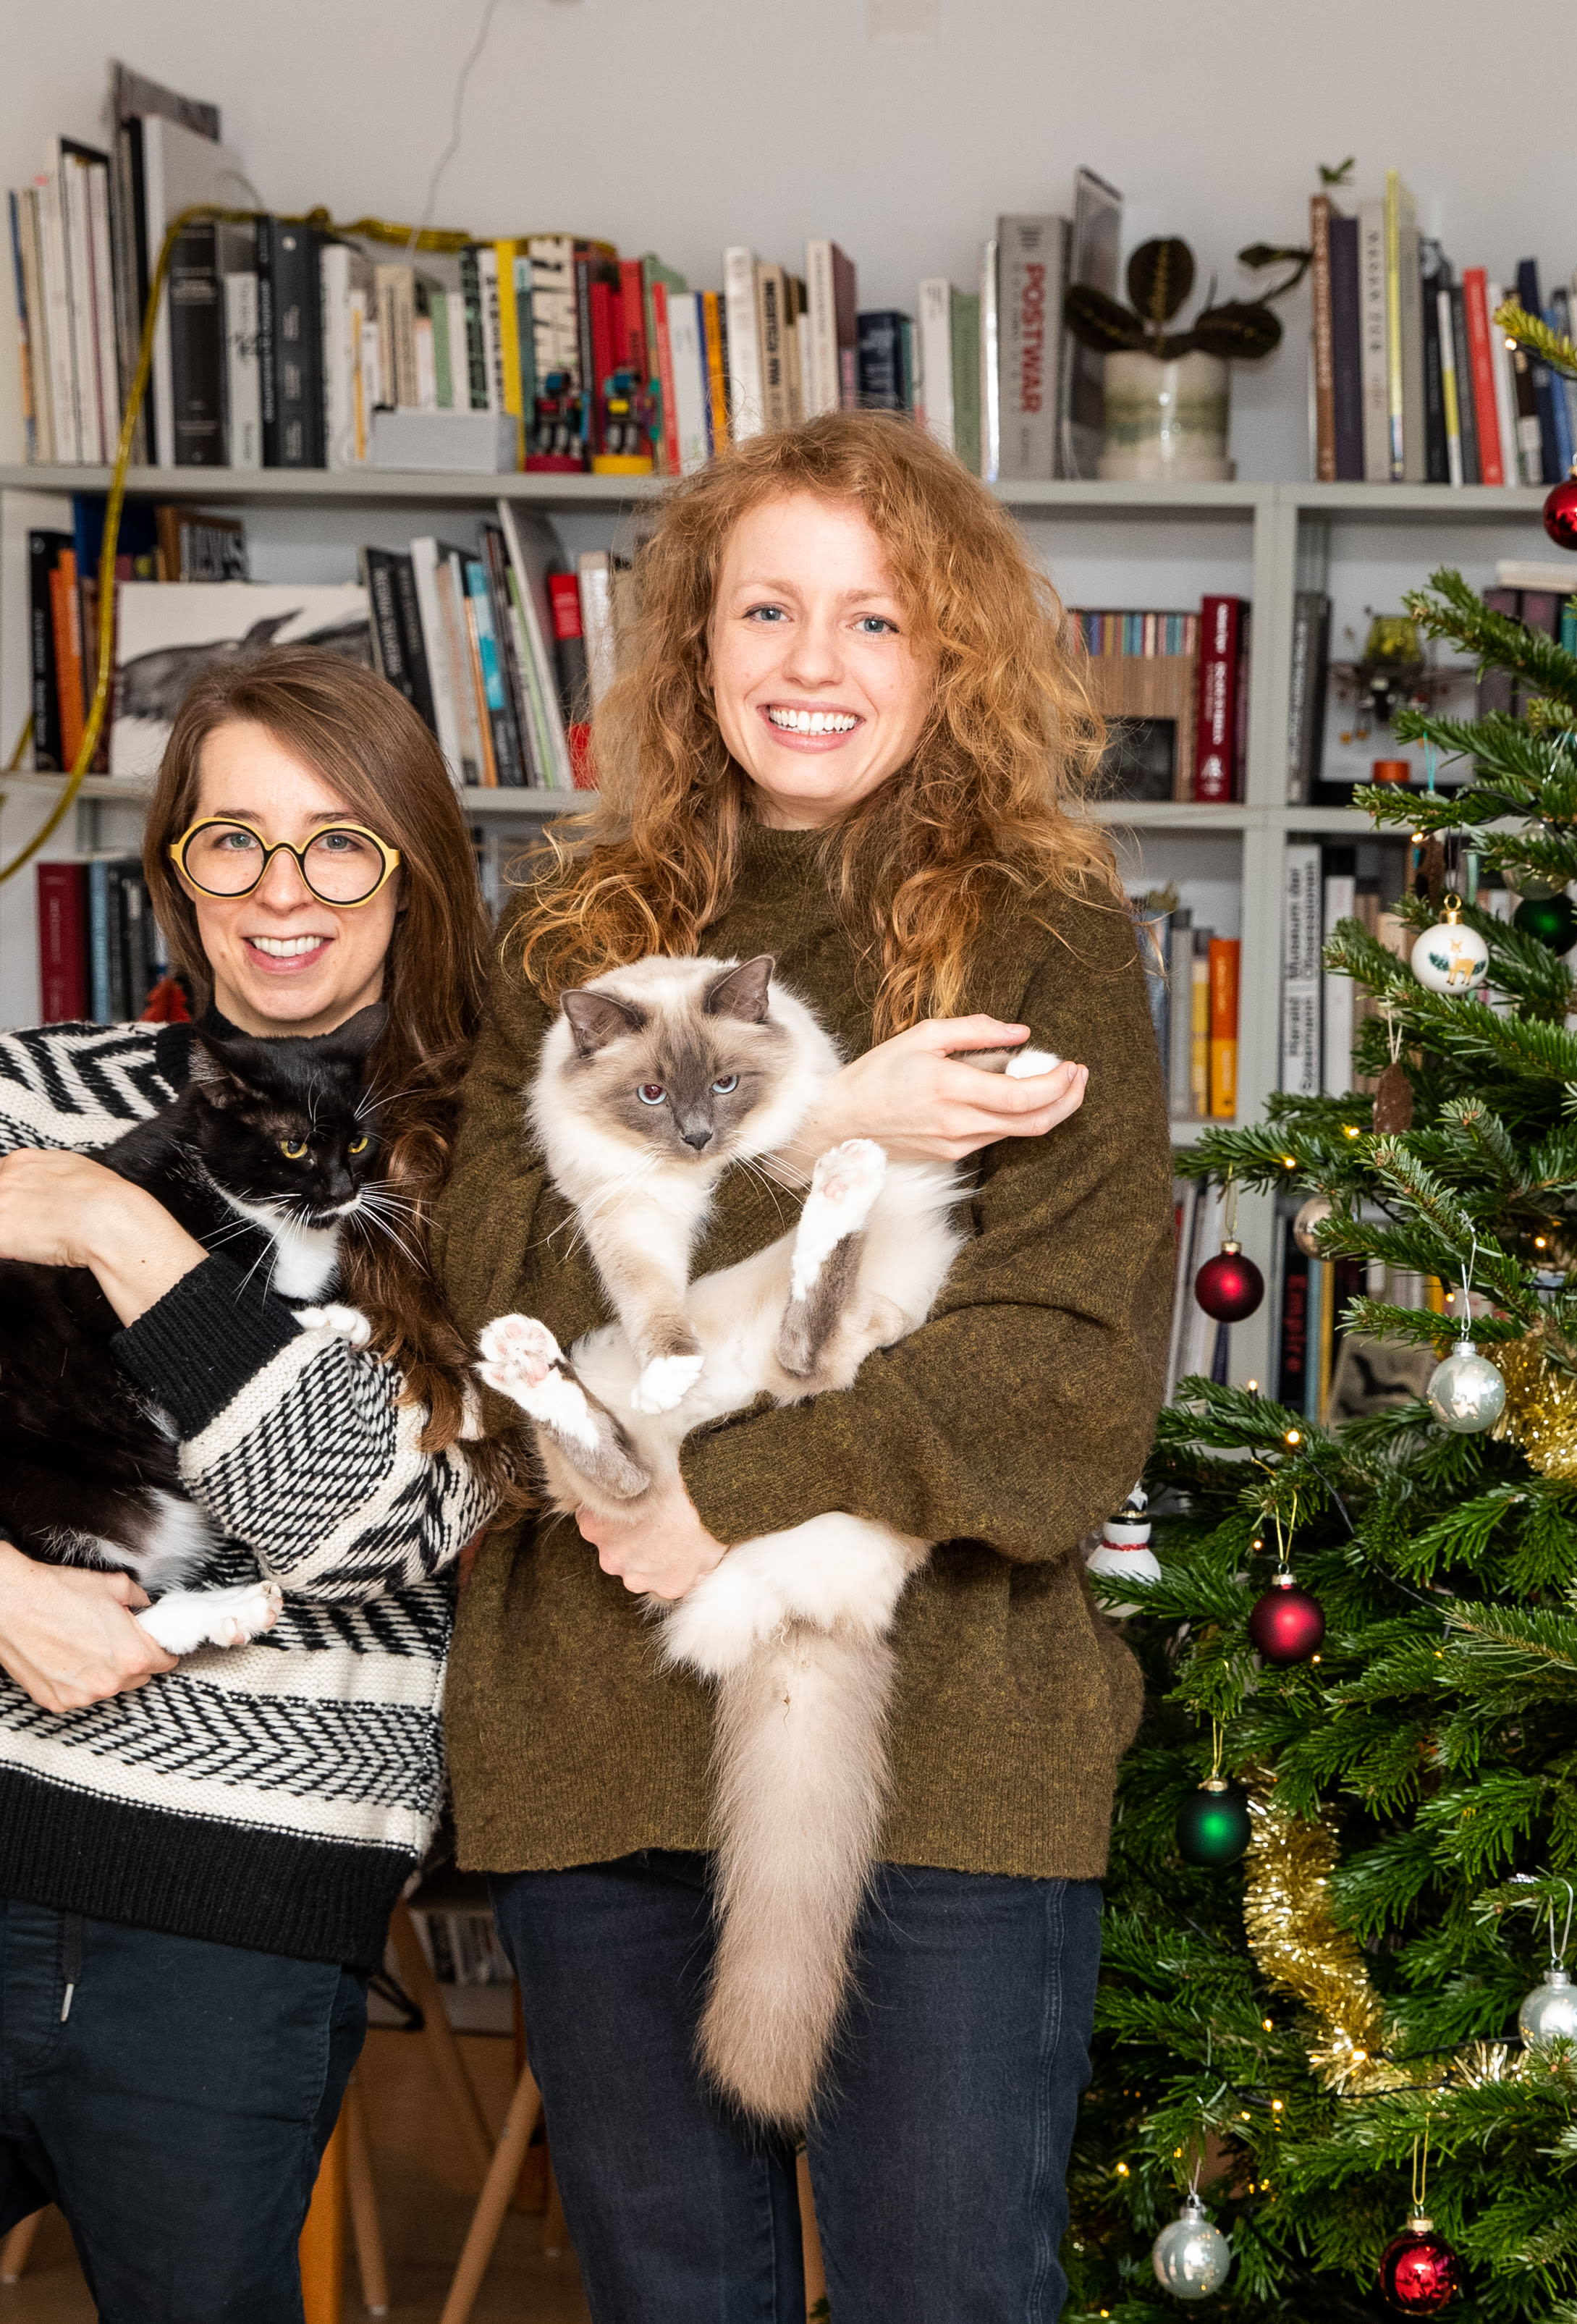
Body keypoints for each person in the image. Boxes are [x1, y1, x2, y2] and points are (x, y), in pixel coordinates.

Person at [435, 409, 1170, 2320]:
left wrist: (718, 1496)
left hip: (945, 1744)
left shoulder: (1044, 936)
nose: (812, 663)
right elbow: (501, 1293)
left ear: (950, 654)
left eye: (874, 617)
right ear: (696, 643)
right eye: (767, 609)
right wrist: (818, 1128)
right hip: (598, 1730)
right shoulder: (570, 934)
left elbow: (1063, 1376)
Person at [0, 649, 496, 2321]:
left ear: (415, 868)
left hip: (229, 1923)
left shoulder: (496, 1166)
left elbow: (387, 1519)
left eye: (337, 842)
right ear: (174, 870)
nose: (280, 891)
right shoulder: (20, 1090)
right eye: (232, 840)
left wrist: (132, 1239)